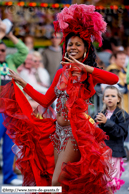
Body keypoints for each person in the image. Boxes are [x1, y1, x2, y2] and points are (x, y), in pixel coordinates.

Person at [0, 4, 119, 194]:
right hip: (58, 132)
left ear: (85, 49)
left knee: (58, 179)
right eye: (70, 44)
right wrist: (22, 83)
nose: (72, 47)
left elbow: (114, 78)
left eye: (77, 44)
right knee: (57, 180)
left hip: (76, 132)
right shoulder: (61, 73)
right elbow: (45, 100)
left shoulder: (88, 73)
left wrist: (85, 67)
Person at [0, 20, 28, 185]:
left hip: (11, 111)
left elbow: (23, 50)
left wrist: (9, 33)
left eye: (3, 49)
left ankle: (9, 176)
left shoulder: (11, 61)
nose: (2, 52)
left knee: (10, 147)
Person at [95, 85, 129, 193]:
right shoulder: (100, 114)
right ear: (103, 99)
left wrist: (107, 122)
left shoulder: (123, 115)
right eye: (107, 96)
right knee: (101, 184)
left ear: (118, 99)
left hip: (114, 154)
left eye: (113, 96)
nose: (110, 98)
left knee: (110, 184)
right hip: (101, 154)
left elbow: (120, 132)